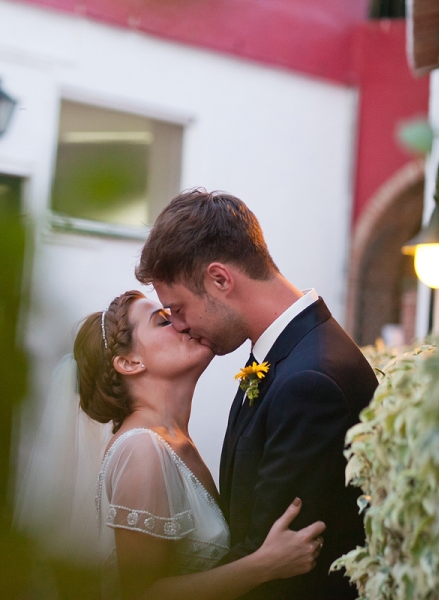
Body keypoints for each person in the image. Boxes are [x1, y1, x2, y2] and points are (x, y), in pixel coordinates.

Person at [135, 189, 379, 599]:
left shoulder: (311, 381)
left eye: (178, 308)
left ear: (220, 279)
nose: (177, 325)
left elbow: (282, 573)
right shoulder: (284, 356)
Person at [74, 289, 326, 600]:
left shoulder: (175, 443)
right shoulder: (141, 449)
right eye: (164, 321)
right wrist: (265, 565)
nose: (183, 323)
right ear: (129, 362)